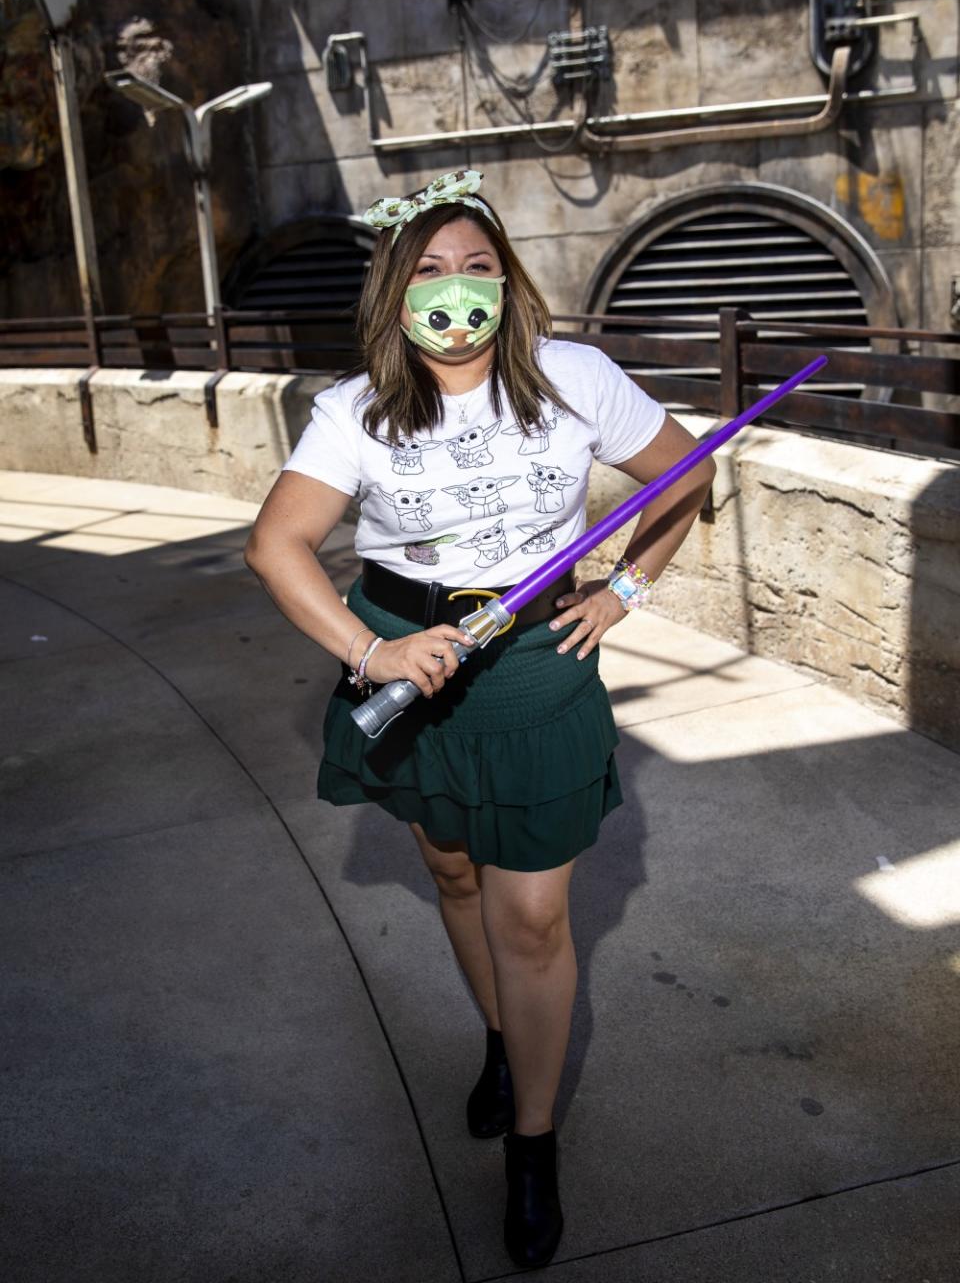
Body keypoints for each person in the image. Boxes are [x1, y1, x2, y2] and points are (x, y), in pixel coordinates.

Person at [243, 168, 715, 1269]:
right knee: (451, 873)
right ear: (392, 295)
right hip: (408, 662)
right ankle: (503, 1040)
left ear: (510, 284)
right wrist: (372, 651)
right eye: (428, 274)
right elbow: (277, 545)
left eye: (478, 270)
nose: (455, 294)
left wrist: (625, 587)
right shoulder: (355, 408)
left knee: (537, 919)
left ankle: (534, 1144)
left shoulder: (573, 377)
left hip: (534, 669)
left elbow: (686, 471)